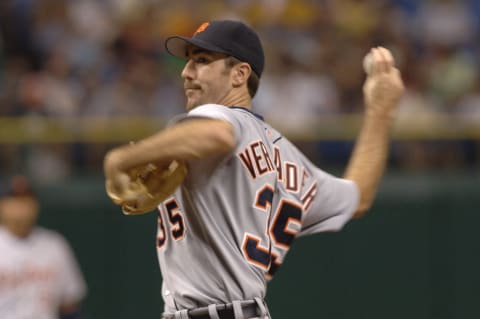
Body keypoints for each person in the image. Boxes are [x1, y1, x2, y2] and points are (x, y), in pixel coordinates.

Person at [103, 20, 404, 319]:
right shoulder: (285, 156)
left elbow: (218, 135)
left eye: (202, 61)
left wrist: (120, 159)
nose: (186, 72)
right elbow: (359, 196)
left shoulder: (215, 117)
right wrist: (380, 111)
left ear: (239, 74)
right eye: (188, 62)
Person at [0, 175, 87, 319]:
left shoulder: (54, 245)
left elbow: (70, 306)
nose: (21, 207)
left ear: (36, 205)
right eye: (14, 200)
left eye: (26, 200)